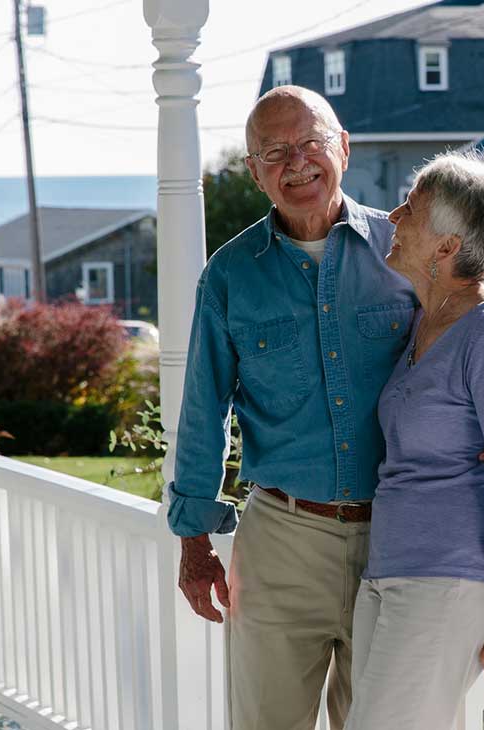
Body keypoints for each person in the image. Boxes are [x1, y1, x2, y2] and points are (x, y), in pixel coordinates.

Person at [166, 86, 414, 730]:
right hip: (282, 543)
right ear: (253, 172)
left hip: (405, 537)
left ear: (344, 149)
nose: (296, 162)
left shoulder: (413, 249)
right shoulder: (229, 275)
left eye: (311, 143)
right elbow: (202, 411)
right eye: (274, 152)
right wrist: (194, 541)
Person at [345, 149, 484, 730]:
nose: (392, 216)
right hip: (389, 571)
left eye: (411, 209)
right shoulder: (424, 321)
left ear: (446, 246)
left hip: (447, 580)